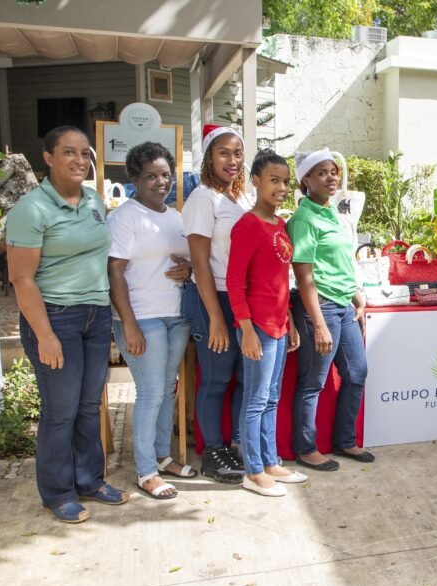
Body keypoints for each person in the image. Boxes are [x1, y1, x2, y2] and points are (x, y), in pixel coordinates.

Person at [6, 126, 127, 523]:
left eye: (85, 153)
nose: (79, 160)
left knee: (90, 406)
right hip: (55, 317)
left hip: (95, 316)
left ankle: (90, 480)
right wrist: (44, 335)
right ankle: (58, 492)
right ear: (48, 158)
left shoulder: (93, 199)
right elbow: (22, 279)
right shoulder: (32, 209)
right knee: (61, 410)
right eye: (69, 152)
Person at [107, 142, 194, 500]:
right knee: (150, 392)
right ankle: (145, 470)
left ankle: (161, 456)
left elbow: (188, 260)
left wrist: (188, 269)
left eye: (166, 175)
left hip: (176, 314)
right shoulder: (124, 217)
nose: (161, 182)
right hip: (141, 317)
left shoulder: (175, 217)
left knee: (167, 389)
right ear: (135, 179)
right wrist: (128, 324)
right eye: (151, 176)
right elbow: (114, 271)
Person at [226, 149, 307, 496]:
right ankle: (253, 469)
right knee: (256, 399)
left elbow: (279, 276)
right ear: (256, 181)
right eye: (274, 180)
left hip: (278, 322)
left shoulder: (281, 224)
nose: (281, 187)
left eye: (285, 181)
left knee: (272, 397)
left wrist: (288, 316)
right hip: (257, 326)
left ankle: (271, 461)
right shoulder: (247, 225)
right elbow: (234, 281)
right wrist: (246, 329)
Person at [288, 148, 371, 471]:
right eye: (321, 172)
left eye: (334, 171)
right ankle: (306, 448)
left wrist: (355, 295)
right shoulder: (304, 219)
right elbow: (304, 275)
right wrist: (319, 324)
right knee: (313, 382)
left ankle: (345, 440)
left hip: (343, 304)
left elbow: (340, 262)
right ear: (305, 180)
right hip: (318, 307)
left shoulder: (334, 215)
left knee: (357, 373)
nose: (331, 177)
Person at [181, 125, 252, 484]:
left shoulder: (242, 200)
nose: (233, 160)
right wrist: (216, 319)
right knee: (216, 378)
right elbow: (200, 263)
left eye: (238, 153)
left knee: (243, 376)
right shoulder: (202, 199)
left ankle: (239, 445)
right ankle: (213, 452)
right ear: (209, 157)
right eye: (224, 152)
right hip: (212, 298)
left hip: (241, 299)